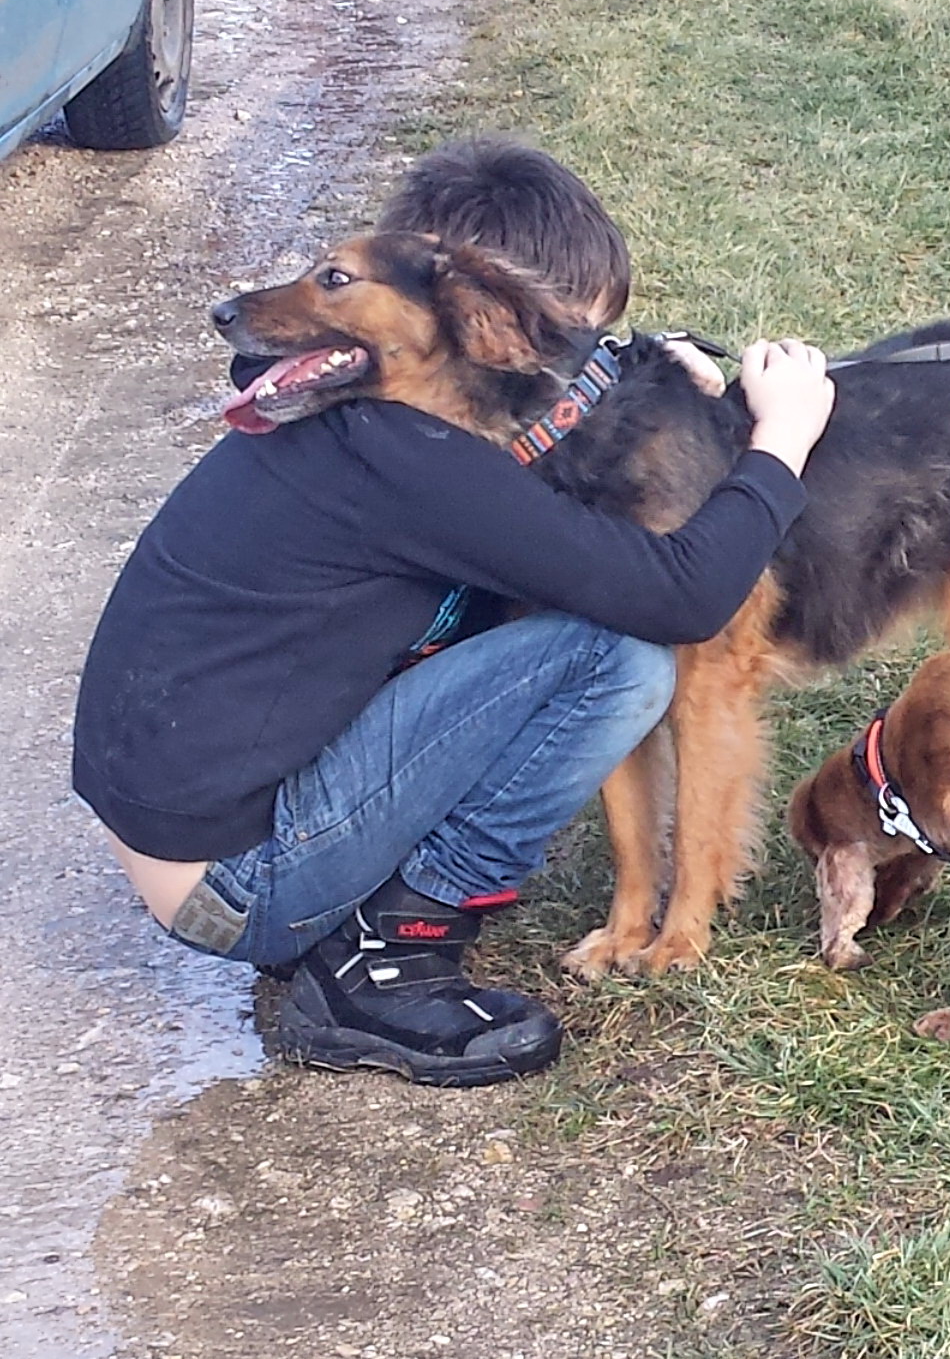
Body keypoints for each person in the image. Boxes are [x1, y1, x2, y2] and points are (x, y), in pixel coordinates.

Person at [72, 138, 834, 1088]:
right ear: (476, 318)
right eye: (565, 342)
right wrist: (782, 441)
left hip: (181, 835)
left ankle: (341, 894)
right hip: (241, 886)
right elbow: (681, 596)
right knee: (616, 657)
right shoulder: (416, 464)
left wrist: (645, 373)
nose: (574, 371)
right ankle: (388, 954)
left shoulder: (344, 410)